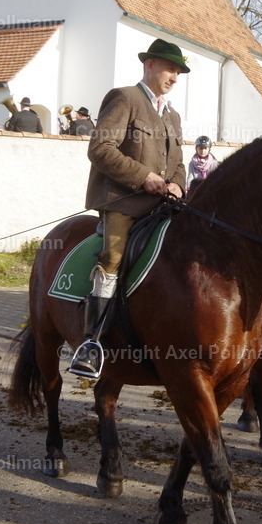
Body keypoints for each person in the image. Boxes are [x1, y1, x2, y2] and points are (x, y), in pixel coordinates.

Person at [69, 38, 189, 377]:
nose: (175, 77)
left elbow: (178, 161)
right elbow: (100, 148)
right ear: (150, 65)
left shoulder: (173, 115)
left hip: (164, 203)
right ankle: (91, 344)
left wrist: (178, 183)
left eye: (178, 72)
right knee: (113, 259)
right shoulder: (125, 98)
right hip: (123, 201)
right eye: (170, 69)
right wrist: (142, 177)